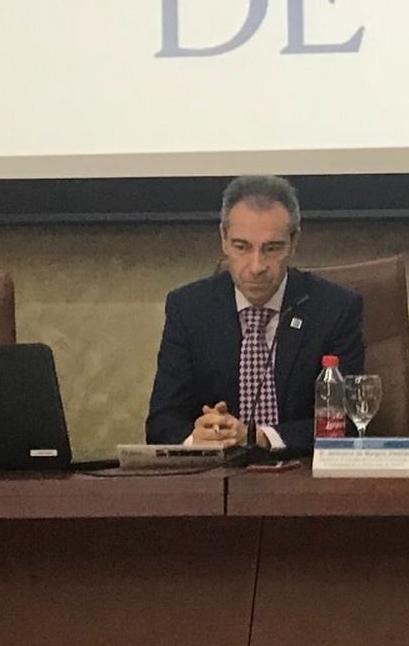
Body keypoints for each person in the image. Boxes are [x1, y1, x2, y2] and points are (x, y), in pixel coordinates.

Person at [145, 175, 364, 454]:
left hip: (302, 478)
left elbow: (346, 423)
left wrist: (258, 436)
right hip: (214, 483)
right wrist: (198, 438)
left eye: (272, 248)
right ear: (223, 240)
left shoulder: (335, 308)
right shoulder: (188, 309)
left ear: (293, 242)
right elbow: (161, 423)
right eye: (242, 247)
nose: (257, 266)